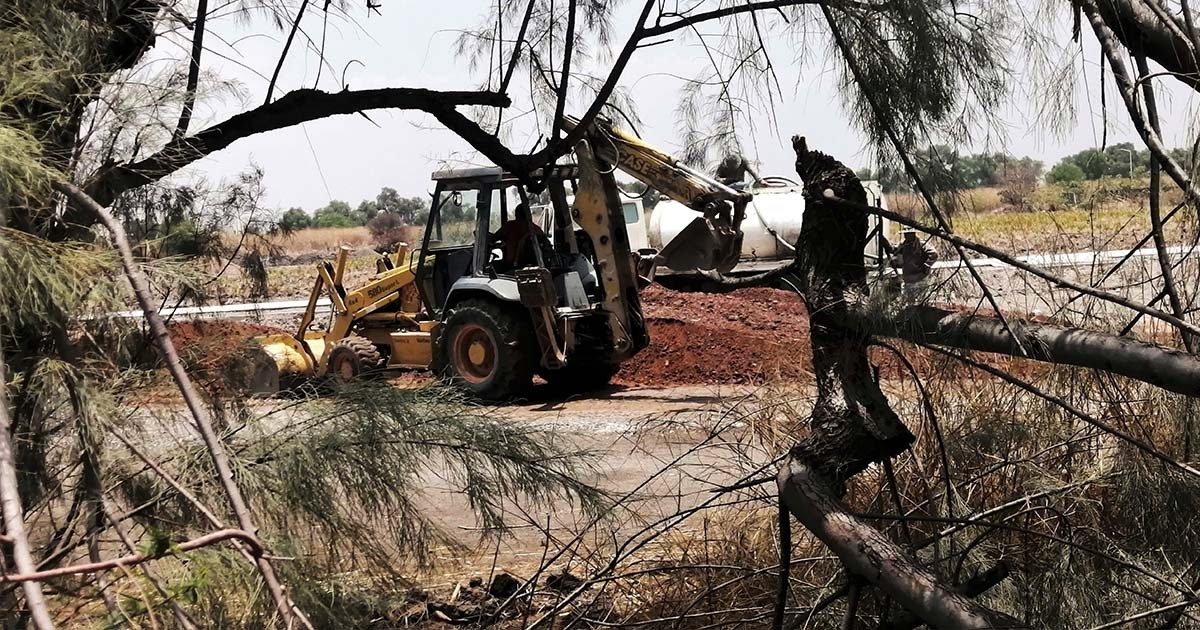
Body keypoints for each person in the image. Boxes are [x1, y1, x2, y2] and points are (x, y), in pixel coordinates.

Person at [492, 203, 546, 267]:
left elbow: (494, 238)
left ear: (516, 214)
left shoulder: (510, 226)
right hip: (536, 265)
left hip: (512, 265)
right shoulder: (537, 229)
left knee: (491, 266)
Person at [889, 229, 939, 297]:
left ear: (913, 234)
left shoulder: (922, 244)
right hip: (908, 279)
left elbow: (934, 254)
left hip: (920, 279)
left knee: (920, 301)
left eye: (908, 234)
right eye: (905, 234)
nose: (905, 236)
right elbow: (895, 250)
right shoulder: (903, 244)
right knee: (908, 303)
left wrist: (926, 265)